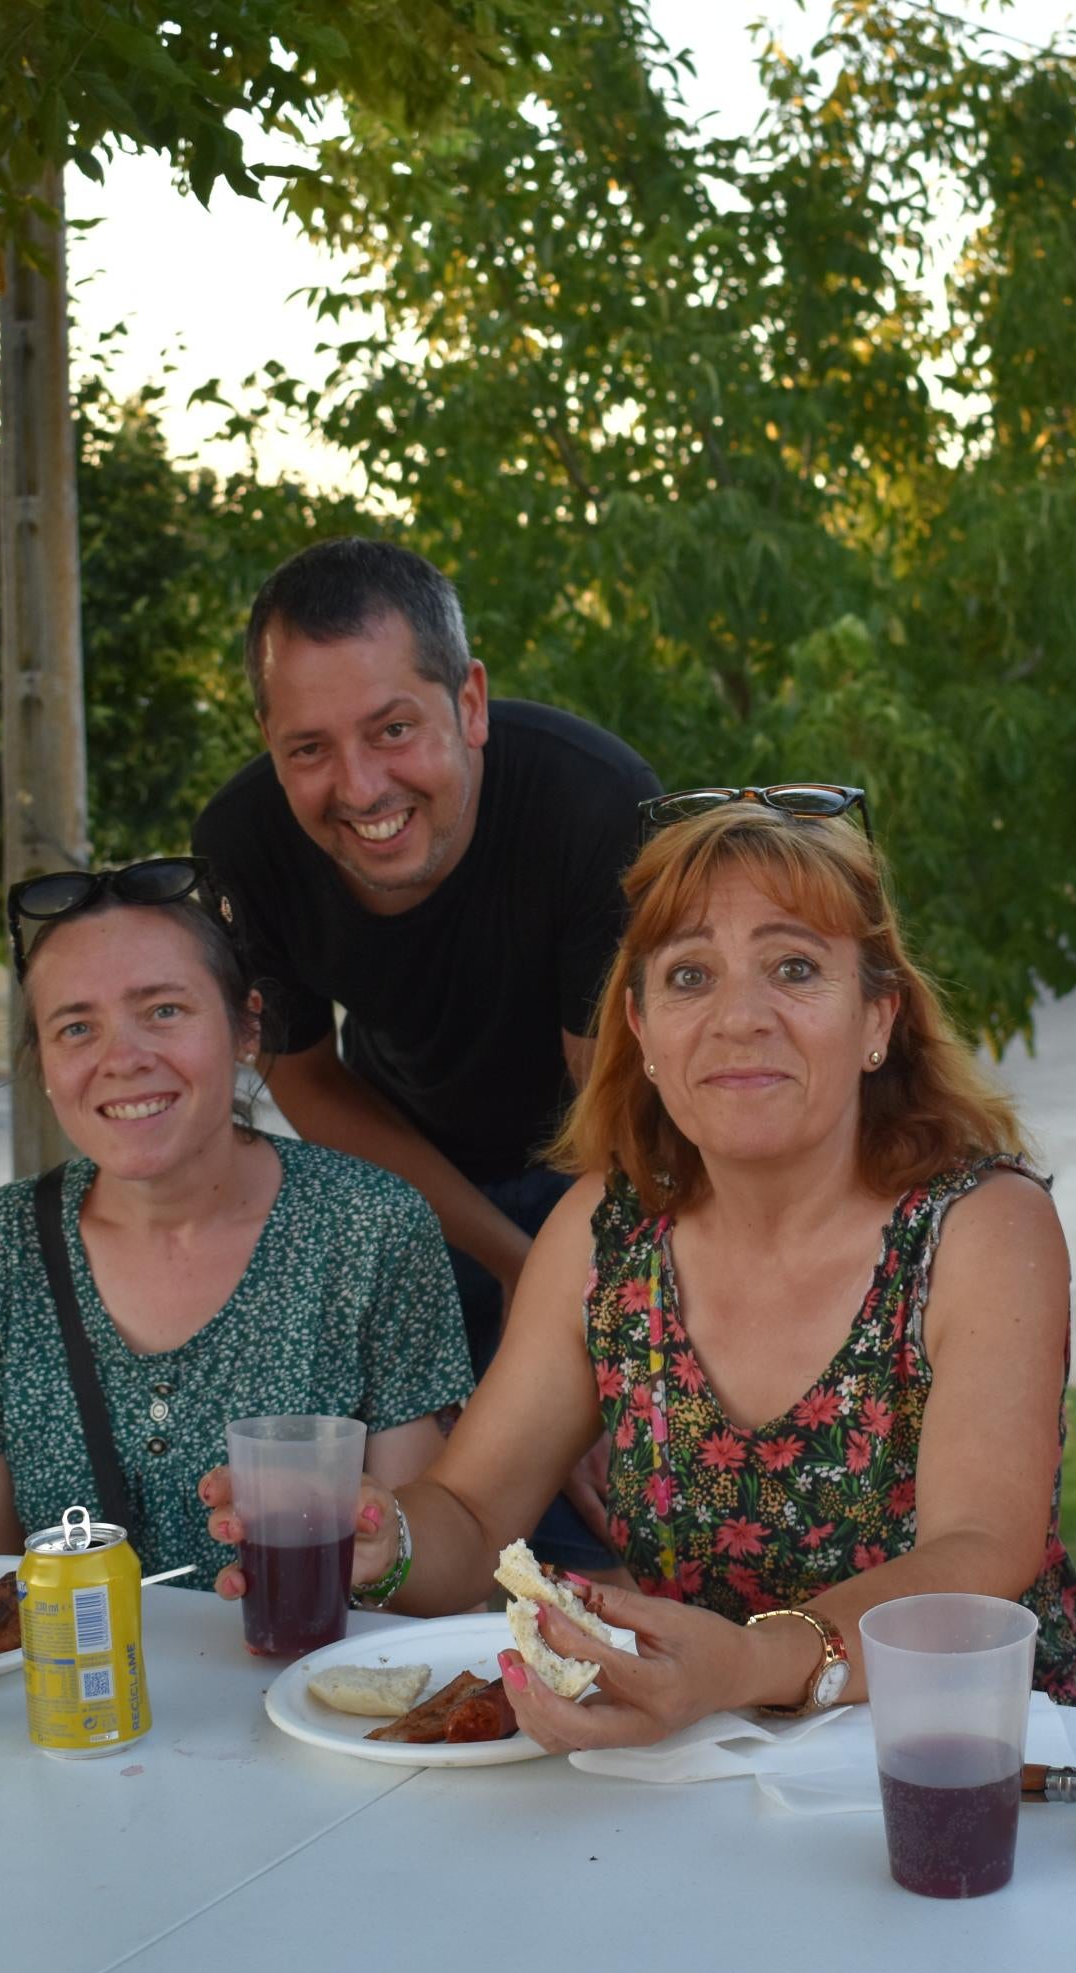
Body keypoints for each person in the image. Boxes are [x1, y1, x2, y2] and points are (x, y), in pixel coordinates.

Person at [200, 794, 1076, 1743]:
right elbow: (471, 1515)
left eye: (794, 968)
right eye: (691, 976)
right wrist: (377, 1539)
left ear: (878, 1018)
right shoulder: (607, 1233)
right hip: (695, 1763)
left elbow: (980, 1551)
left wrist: (751, 1664)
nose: (739, 1018)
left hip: (987, 1766)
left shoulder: (980, 1223)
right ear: (640, 1029)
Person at [193, 536, 656, 1572]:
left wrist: (577, 1318)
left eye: (393, 729)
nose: (359, 787)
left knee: (607, 1503)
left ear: (472, 705)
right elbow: (306, 1076)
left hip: (594, 1161)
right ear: (266, 740)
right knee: (430, 1518)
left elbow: (617, 1102)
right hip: (399, 1169)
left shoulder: (593, 802)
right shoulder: (243, 842)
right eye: (308, 748)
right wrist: (507, 1257)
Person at [0, 860, 472, 1585]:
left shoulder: (372, 1229)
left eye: (164, 1010)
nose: (123, 1059)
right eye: (76, 1027)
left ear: (246, 1027)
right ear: (42, 1061)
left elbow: (416, 1578)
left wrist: (372, 1551)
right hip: (73, 1697)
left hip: (304, 1688)